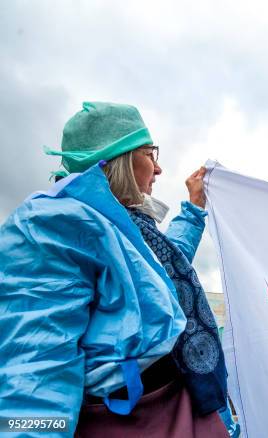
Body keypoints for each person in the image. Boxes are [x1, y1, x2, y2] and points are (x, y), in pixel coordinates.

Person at [0, 102, 228, 437]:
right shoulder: (53, 224)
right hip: (131, 422)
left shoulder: (123, 224)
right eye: (150, 153)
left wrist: (194, 209)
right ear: (118, 157)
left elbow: (165, 267)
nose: (159, 168)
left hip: (174, 409)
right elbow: (35, 367)